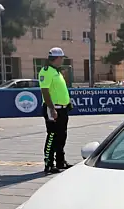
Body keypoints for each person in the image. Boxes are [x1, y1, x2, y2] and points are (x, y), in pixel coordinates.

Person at [38, 47, 73, 175]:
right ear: (57, 58)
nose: (63, 59)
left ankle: (60, 161)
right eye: (62, 57)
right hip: (53, 109)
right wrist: (52, 108)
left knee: (62, 135)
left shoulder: (56, 72)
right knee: (52, 136)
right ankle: (48, 163)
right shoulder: (46, 71)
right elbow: (45, 91)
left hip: (62, 109)